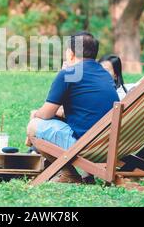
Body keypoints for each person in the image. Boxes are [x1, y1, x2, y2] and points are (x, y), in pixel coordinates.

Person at [26, 32, 119, 183]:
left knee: (34, 127)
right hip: (108, 144)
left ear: (71, 53)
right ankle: (87, 174)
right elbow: (88, 108)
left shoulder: (69, 73)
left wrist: (35, 114)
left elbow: (46, 113)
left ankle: (69, 174)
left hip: (86, 145)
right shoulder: (105, 74)